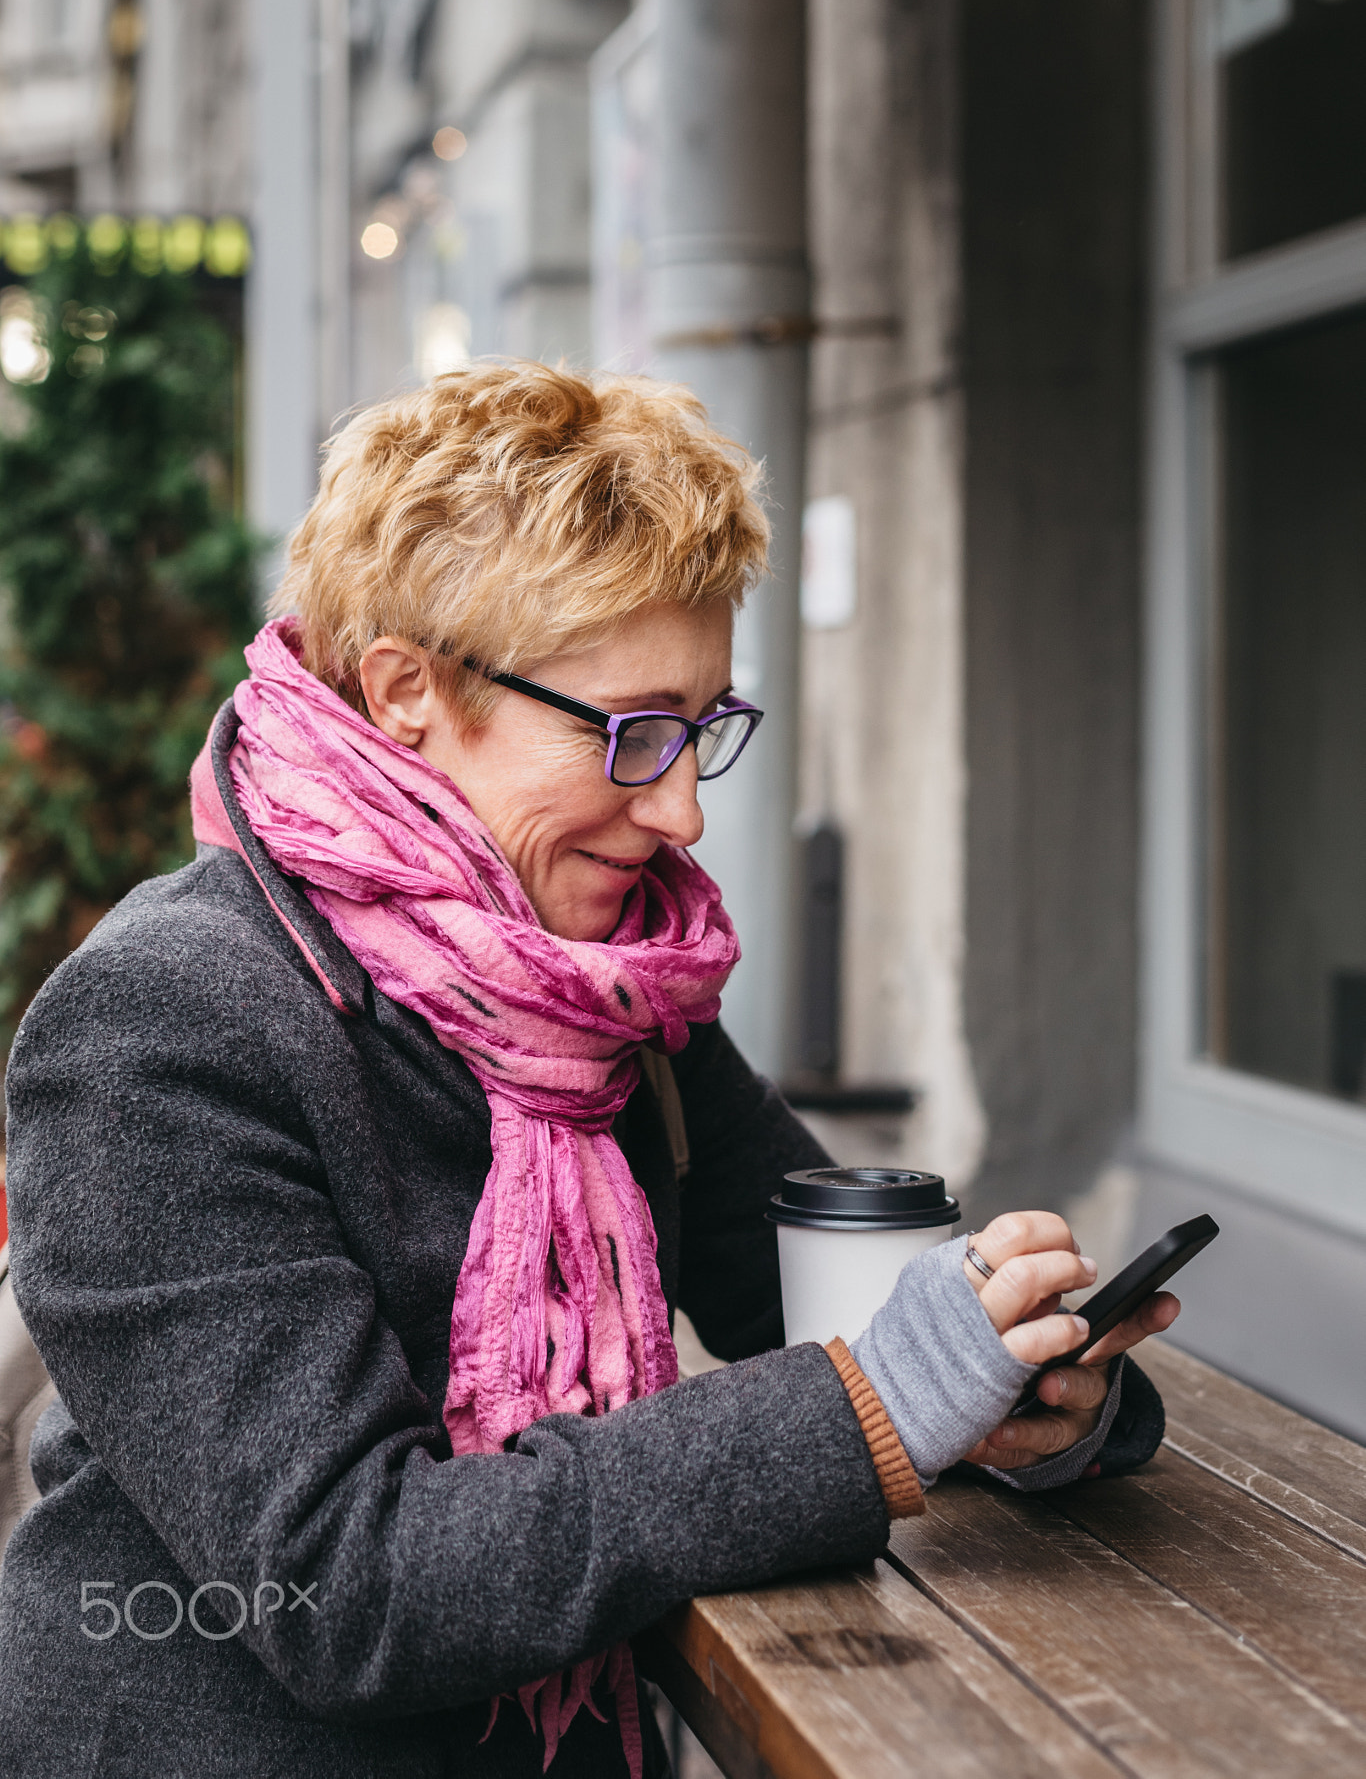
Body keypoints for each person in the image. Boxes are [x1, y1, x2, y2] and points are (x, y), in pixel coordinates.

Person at [0, 364, 1175, 1778]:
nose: (679, 809)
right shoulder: (158, 1028)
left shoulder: (607, 996)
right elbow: (340, 1590)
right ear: (407, 693)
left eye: (701, 729)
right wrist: (875, 1407)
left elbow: (814, 1298)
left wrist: (1028, 1393)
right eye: (629, 733)